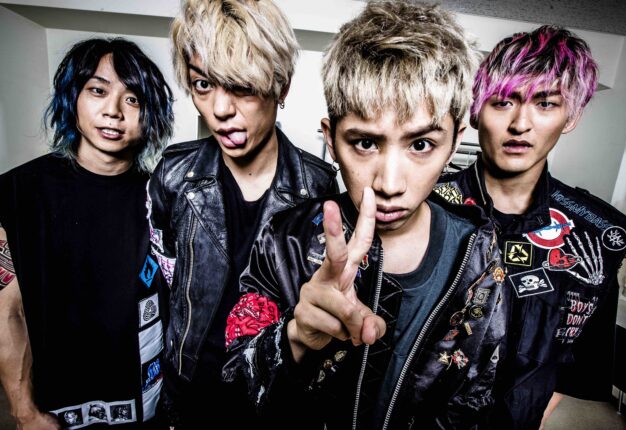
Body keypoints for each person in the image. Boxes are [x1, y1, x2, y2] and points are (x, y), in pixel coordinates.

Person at [223, 1, 507, 428]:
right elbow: (234, 390)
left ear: (454, 142)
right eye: (366, 143)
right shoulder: (286, 241)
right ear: (331, 139)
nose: (390, 183)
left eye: (421, 145)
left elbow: (473, 400)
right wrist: (295, 338)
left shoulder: (478, 254)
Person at [436, 25, 626, 429]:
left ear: (571, 116)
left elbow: (578, 365)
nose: (520, 123)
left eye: (545, 103)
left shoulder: (597, 235)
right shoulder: (424, 206)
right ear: (476, 110)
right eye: (503, 102)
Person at [147, 0, 338, 427]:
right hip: (188, 392)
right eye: (202, 84)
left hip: (271, 395)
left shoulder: (317, 187)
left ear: (281, 87)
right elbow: (164, 283)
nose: (219, 109)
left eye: (241, 86)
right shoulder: (174, 175)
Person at [0, 38, 174, 429]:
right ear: (72, 97)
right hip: (54, 412)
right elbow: (6, 310)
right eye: (98, 90)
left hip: (147, 408)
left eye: (133, 99)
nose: (113, 111)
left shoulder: (164, 199)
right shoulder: (18, 193)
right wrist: (24, 411)